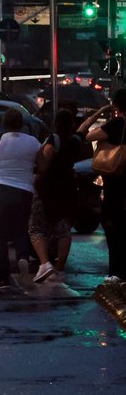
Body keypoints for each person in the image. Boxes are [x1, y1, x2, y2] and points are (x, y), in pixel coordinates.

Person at [0, 108, 40, 291]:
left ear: (4, 123)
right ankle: (22, 257)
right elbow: (43, 165)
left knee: (0, 236)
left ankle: (2, 279)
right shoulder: (33, 142)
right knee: (21, 230)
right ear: (21, 124)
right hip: (23, 190)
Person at [29, 109, 88, 283]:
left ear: (55, 123)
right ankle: (60, 268)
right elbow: (84, 128)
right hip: (68, 188)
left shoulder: (53, 140)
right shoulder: (76, 141)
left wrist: (35, 177)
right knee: (63, 229)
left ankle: (45, 263)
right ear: (71, 125)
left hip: (49, 189)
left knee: (37, 227)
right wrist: (100, 112)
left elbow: (44, 166)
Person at [83, 90, 126, 283]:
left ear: (116, 106)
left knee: (113, 229)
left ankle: (116, 272)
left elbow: (87, 135)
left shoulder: (116, 125)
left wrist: (99, 113)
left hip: (115, 184)